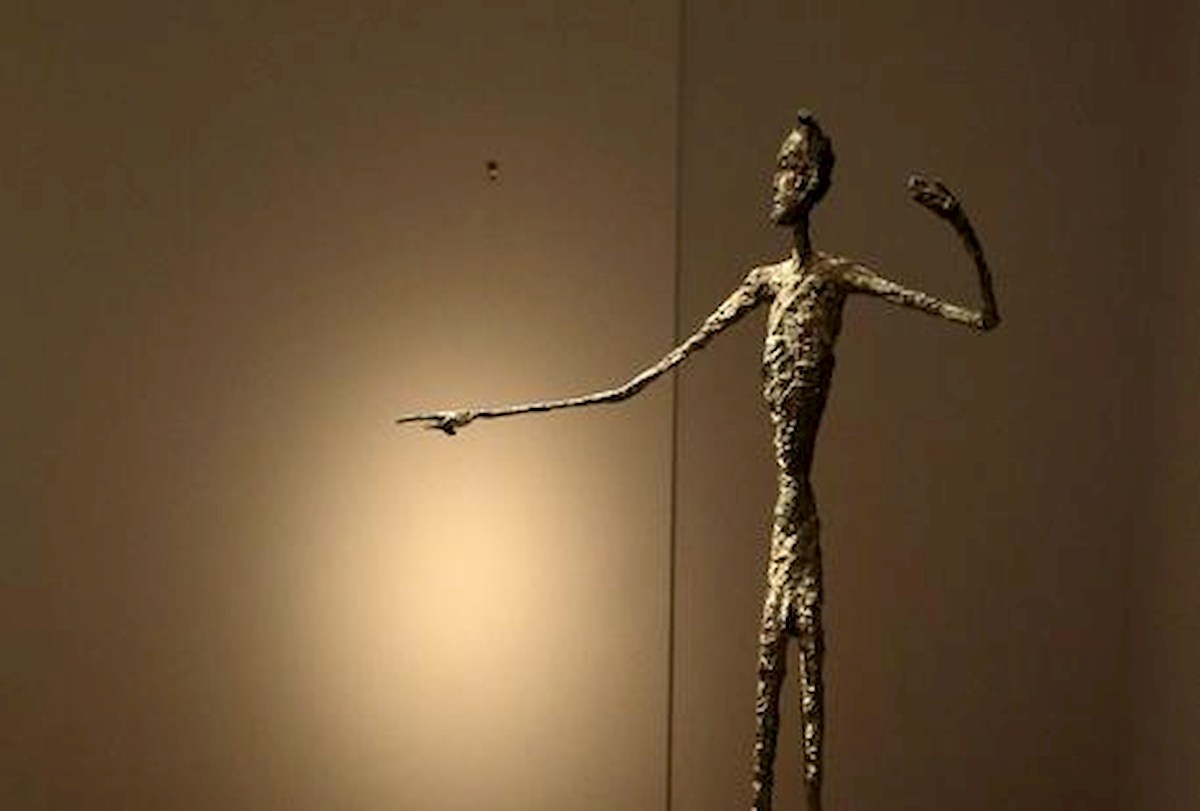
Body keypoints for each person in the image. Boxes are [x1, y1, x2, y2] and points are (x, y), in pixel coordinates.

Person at [397, 110, 999, 811]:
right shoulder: (762, 283)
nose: (776, 181)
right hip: (786, 517)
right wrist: (480, 414)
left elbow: (981, 317)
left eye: (789, 168)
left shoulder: (838, 278)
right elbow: (631, 386)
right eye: (779, 165)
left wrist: (960, 226)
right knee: (772, 701)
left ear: (810, 181)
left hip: (800, 517)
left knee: (806, 708)